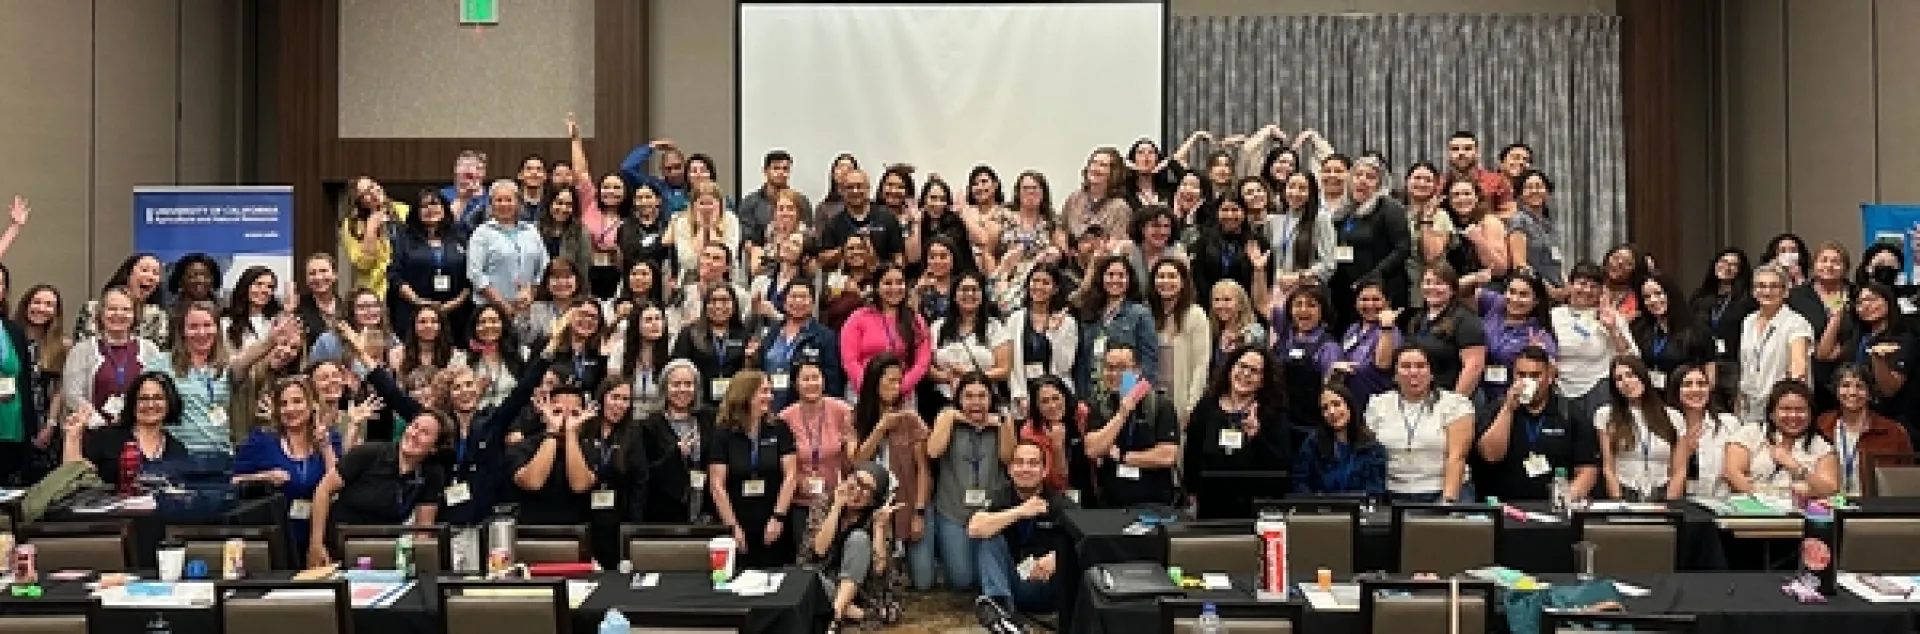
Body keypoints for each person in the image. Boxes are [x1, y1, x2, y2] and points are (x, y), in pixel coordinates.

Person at [359, 312, 558, 526]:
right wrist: (362, 354)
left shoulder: (492, 421)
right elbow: (395, 396)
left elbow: (523, 390)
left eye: (469, 385)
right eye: (457, 387)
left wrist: (553, 345)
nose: (465, 392)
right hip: (445, 518)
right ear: (448, 394)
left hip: (486, 517)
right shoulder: (437, 424)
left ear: (478, 390)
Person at [304, 410, 447, 566]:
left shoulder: (432, 474)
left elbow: (423, 529)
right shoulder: (369, 453)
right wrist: (316, 544)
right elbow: (323, 490)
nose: (414, 434)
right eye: (414, 426)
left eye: (424, 433)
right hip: (337, 548)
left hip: (383, 554)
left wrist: (417, 564)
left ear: (434, 447)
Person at [232, 377, 350, 552]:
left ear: (312, 405)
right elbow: (234, 481)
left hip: (321, 534)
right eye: (283, 404)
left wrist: (325, 447)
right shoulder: (262, 439)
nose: (290, 409)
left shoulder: (330, 439)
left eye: (297, 401)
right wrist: (265, 477)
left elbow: (336, 487)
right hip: (276, 537)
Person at [849, 355, 935, 590]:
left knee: (924, 582)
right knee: (877, 577)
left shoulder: (909, 417)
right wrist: (879, 429)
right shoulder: (855, 417)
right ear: (875, 381)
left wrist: (919, 512)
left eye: (899, 381)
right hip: (872, 505)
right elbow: (856, 461)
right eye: (891, 381)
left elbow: (923, 470)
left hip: (908, 501)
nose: (897, 387)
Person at [924, 373, 1016, 591]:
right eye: (969, 396)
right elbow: (933, 451)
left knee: (984, 577)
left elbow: (1008, 458)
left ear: (991, 399)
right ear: (959, 398)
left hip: (990, 511)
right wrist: (951, 417)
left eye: (982, 396)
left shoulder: (1003, 421)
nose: (976, 402)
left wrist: (1001, 425)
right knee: (962, 581)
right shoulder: (947, 418)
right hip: (953, 511)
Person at [1471, 347, 1598, 502]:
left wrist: (1567, 498)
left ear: (1549, 377)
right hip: (1503, 505)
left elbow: (1587, 469)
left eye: (1535, 375)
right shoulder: (1495, 409)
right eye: (1521, 375)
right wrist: (1508, 409)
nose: (1527, 381)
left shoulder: (1570, 413)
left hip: (1553, 506)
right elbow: (1491, 455)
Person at [969, 441, 1077, 619]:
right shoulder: (1001, 496)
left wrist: (1060, 556)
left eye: (1033, 463)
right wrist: (1020, 511)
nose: (1025, 469)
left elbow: (1088, 540)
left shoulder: (1058, 502)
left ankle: (1001, 611)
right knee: (988, 537)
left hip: (1047, 585)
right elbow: (974, 528)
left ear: (1044, 471)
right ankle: (1000, 611)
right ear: (1010, 470)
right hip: (1009, 583)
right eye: (1019, 463)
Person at [1183, 346, 1289, 518]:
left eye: (1254, 371)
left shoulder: (1272, 413)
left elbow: (1281, 466)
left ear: (1262, 381)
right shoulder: (1207, 405)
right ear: (1230, 369)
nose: (1246, 374)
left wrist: (1256, 437)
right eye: (1242, 366)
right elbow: (1192, 452)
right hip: (1210, 503)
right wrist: (1192, 491)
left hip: (1255, 507)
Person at [708, 370, 799, 569]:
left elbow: (791, 475)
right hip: (737, 520)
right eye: (764, 391)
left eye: (770, 391)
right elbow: (716, 485)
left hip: (774, 520)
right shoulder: (723, 434)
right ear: (745, 394)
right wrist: (732, 527)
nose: (770, 397)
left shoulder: (779, 428)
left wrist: (778, 517)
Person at [804, 462, 906, 630]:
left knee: (859, 538)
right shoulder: (826, 501)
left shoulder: (879, 515)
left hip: (861, 587)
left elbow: (879, 569)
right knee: (810, 581)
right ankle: (853, 612)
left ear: (874, 500)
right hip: (825, 578)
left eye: (867, 489)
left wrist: (879, 528)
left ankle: (835, 615)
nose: (857, 490)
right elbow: (819, 550)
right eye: (857, 480)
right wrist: (837, 507)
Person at [1368, 346, 1476, 502]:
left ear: (1431, 373)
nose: (1413, 372)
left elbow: (1457, 457)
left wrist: (1448, 502)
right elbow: (1369, 454)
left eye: (1420, 366)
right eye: (1406, 366)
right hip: (1392, 492)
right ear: (1395, 375)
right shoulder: (1378, 404)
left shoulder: (1455, 404)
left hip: (1444, 489)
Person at [1083, 344, 1181, 507]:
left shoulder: (1160, 405)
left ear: (1137, 370)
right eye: (1110, 368)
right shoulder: (1099, 406)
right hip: (1110, 500)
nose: (1115, 374)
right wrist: (1121, 415)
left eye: (1122, 368)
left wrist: (1124, 457)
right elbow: (1092, 449)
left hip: (1155, 500)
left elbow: (1167, 456)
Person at [61, 371, 191, 488]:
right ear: (133, 403)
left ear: (169, 403)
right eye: (143, 398)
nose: (150, 405)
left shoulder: (178, 450)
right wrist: (73, 437)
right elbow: (73, 478)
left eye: (158, 398)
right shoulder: (106, 438)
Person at [63, 287, 164, 427]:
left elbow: (159, 391)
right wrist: (99, 423)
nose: (118, 314)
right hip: (94, 431)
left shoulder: (150, 350)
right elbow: (72, 395)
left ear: (135, 314)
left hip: (140, 430)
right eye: (112, 309)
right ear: (101, 313)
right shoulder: (81, 351)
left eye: (126, 309)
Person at [1724, 380, 1839, 497]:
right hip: (1751, 505)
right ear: (1771, 413)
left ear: (1811, 414)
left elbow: (1830, 488)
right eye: (1786, 409)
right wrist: (1762, 498)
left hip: (1799, 507)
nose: (1793, 415)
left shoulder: (1822, 446)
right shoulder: (1751, 432)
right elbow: (1732, 473)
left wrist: (1795, 467)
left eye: (1800, 410)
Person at [1593, 358, 1686, 501]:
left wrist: (1670, 502)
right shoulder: (1605, 415)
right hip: (1625, 490)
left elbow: (1679, 470)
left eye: (1630, 375)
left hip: (1663, 491)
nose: (1626, 382)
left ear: (1642, 376)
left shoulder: (1673, 416)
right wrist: (1619, 500)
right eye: (1619, 379)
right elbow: (1608, 468)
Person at [780, 361, 856, 534]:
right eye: (806, 379)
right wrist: (799, 481)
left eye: (816, 378)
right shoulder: (785, 418)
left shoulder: (843, 411)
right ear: (796, 384)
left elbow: (853, 456)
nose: (812, 383)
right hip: (801, 501)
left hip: (837, 499)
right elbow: (782, 464)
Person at [637, 359, 716, 523]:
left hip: (706, 509)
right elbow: (646, 473)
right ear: (664, 388)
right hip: (664, 513)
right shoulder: (649, 425)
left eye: (688, 384)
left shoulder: (709, 419)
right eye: (676, 384)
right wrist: (676, 455)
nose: (682, 389)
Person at [840, 264, 933, 402]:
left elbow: (922, 363)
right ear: (877, 287)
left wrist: (899, 389)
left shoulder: (916, 320)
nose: (894, 288)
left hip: (902, 394)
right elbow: (850, 360)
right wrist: (870, 388)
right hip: (862, 393)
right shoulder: (858, 317)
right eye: (888, 283)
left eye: (899, 283)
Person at [1817, 364, 1914, 496]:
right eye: (1845, 385)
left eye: (1860, 386)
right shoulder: (1821, 425)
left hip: (1875, 504)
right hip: (1828, 503)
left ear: (1870, 393)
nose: (1852, 392)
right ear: (1836, 391)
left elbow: (1907, 479)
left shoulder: (1893, 432)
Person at [1737, 265, 1813, 425]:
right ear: (1753, 291)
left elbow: (1799, 366)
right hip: (1749, 405)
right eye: (1761, 286)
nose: (1767, 291)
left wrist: (1787, 402)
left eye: (1774, 286)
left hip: (1780, 408)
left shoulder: (1796, 323)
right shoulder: (1748, 321)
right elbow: (1745, 365)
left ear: (1785, 292)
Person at [468, 180, 551, 324]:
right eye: (499, 200)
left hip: (528, 307)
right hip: (491, 311)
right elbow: (475, 274)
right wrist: (504, 306)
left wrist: (531, 294)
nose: (504, 204)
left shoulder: (531, 230)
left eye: (509, 200)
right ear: (491, 204)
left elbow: (544, 267)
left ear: (517, 203)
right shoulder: (481, 233)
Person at [1666, 364, 1747, 497]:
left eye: (1701, 384)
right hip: (1676, 502)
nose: (1696, 389)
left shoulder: (1729, 424)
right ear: (1676, 391)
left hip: (1720, 502)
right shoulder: (1665, 426)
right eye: (1687, 384)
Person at [1292, 385, 1387, 496]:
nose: (1331, 412)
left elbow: (1375, 489)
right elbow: (1299, 481)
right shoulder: (1313, 442)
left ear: (1349, 406)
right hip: (1321, 505)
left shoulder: (1372, 447)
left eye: (1336, 404)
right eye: (1325, 408)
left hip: (1359, 505)